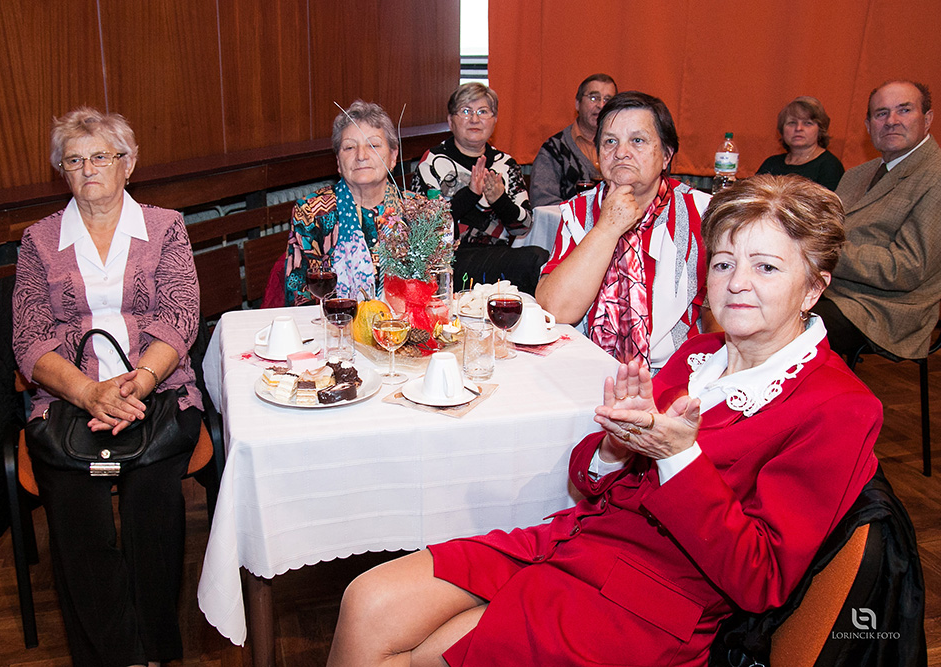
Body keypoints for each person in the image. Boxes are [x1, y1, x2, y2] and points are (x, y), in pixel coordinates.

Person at [325, 175, 881, 666]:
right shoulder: (699, 355)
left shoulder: (838, 406)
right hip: (576, 541)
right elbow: (592, 482)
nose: (737, 282)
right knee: (367, 599)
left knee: (428, 654)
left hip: (648, 601)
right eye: (723, 262)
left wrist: (677, 457)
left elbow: (761, 579)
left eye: (766, 266)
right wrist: (616, 447)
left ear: (814, 287)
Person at [13, 107, 202, 666]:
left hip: (157, 393)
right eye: (74, 161)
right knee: (77, 507)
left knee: (152, 499)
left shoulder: (165, 227)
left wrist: (139, 382)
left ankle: (155, 646)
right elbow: (29, 337)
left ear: (129, 163)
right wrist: (88, 392)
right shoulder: (38, 241)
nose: (88, 169)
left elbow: (180, 316)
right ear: (62, 172)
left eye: (101, 156)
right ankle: (116, 655)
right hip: (69, 402)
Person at [536, 91, 712, 372]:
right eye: (610, 142)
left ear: (666, 155)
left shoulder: (702, 213)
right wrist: (608, 226)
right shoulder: (579, 211)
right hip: (587, 368)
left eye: (637, 140)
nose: (620, 152)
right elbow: (555, 309)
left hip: (674, 373)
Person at [812, 80, 941, 360]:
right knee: (753, 304)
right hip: (831, 288)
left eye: (904, 110)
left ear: (927, 119)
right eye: (881, 113)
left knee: (781, 329)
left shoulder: (936, 177)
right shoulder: (857, 174)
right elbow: (826, 230)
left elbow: (906, 268)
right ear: (869, 126)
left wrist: (821, 252)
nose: (891, 121)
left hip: (884, 309)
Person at [410, 83, 548, 294]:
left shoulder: (505, 164)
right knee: (535, 260)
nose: (475, 119)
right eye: (466, 111)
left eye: (483, 112)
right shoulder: (433, 161)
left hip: (497, 256)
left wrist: (500, 201)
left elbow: (523, 227)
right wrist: (470, 194)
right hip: (448, 264)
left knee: (541, 259)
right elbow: (422, 229)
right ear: (450, 121)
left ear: (494, 120)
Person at [285, 100, 408, 305]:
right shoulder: (312, 212)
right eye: (349, 147)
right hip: (335, 321)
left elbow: (436, 291)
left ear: (393, 156)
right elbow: (300, 298)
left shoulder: (418, 211)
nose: (361, 156)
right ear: (338, 162)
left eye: (373, 145)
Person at [529, 73, 617, 206]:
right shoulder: (554, 150)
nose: (601, 105)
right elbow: (544, 204)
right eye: (594, 98)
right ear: (577, 104)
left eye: (608, 100)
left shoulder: (622, 149)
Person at [756, 96, 845, 190]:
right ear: (782, 130)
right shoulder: (771, 164)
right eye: (792, 123)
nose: (798, 128)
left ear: (820, 130)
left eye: (807, 123)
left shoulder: (829, 166)